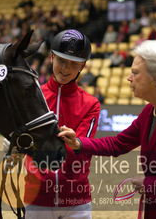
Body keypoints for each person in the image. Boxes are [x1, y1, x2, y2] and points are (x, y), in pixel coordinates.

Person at [58, 40, 156, 219]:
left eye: (135, 73)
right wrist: (79, 142)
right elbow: (118, 143)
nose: (129, 78)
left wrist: (151, 184)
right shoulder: (150, 111)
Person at [24, 29, 101, 219]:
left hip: (76, 201)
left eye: (73, 64)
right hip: (37, 197)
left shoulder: (91, 104)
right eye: (62, 61)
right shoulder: (34, 97)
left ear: (82, 65)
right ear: (51, 57)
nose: (66, 69)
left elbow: (81, 147)